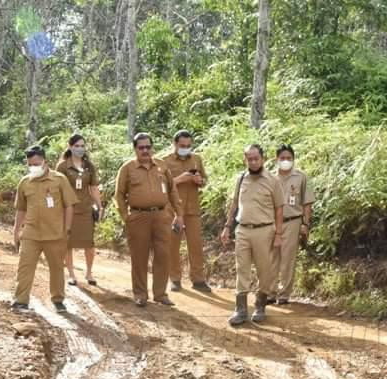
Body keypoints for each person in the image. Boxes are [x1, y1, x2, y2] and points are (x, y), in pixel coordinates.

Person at [114, 132, 184, 307]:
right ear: (135, 149)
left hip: (162, 217)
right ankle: (140, 294)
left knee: (163, 254)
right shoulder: (127, 168)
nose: (145, 150)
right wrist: (126, 217)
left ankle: (160, 294)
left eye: (148, 147)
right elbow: (119, 195)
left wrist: (179, 215)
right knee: (139, 256)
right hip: (138, 217)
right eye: (141, 147)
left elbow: (172, 191)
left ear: (152, 147)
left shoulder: (161, 166)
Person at [220, 144, 284, 326]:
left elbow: (279, 209)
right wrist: (227, 227)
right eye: (250, 159)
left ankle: (260, 305)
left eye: (256, 158)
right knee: (242, 269)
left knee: (265, 270)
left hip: (265, 230)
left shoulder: (272, 181)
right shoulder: (241, 179)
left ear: (263, 158)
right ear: (245, 159)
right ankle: (240, 310)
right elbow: (234, 205)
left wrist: (278, 233)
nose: (253, 162)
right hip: (243, 230)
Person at [11, 146, 77, 312]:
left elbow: (69, 206)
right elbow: (21, 209)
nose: (33, 167)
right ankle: (21, 300)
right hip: (31, 233)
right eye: (30, 164)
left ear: (45, 162)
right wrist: (16, 231)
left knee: (56, 268)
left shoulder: (59, 179)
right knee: (25, 267)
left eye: (36, 163)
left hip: (55, 233)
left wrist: (67, 229)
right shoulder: (25, 182)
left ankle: (58, 299)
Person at [160, 130, 212, 293]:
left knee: (196, 244)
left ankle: (198, 279)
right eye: (182, 146)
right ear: (175, 144)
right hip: (173, 210)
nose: (186, 148)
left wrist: (199, 180)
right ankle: (175, 278)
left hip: (193, 208)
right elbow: (160, 187)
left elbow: (204, 180)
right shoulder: (165, 162)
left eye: (189, 146)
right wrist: (180, 179)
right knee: (173, 245)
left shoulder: (196, 159)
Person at [268, 144, 315, 305]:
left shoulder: (302, 177)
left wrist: (305, 223)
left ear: (293, 159)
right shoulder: (270, 177)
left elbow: (307, 203)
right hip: (273, 222)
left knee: (288, 258)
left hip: (293, 221)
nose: (286, 161)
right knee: (271, 257)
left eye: (289, 158)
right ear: (276, 159)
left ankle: (284, 294)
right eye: (282, 158)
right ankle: (270, 292)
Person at [55, 134, 103, 287]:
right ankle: (71, 274)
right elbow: (57, 189)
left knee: (89, 243)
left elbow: (93, 187)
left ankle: (89, 272)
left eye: (82, 146)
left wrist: (99, 206)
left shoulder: (89, 166)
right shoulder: (62, 166)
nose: (80, 149)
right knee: (68, 243)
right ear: (70, 147)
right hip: (68, 210)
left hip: (86, 209)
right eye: (77, 146)